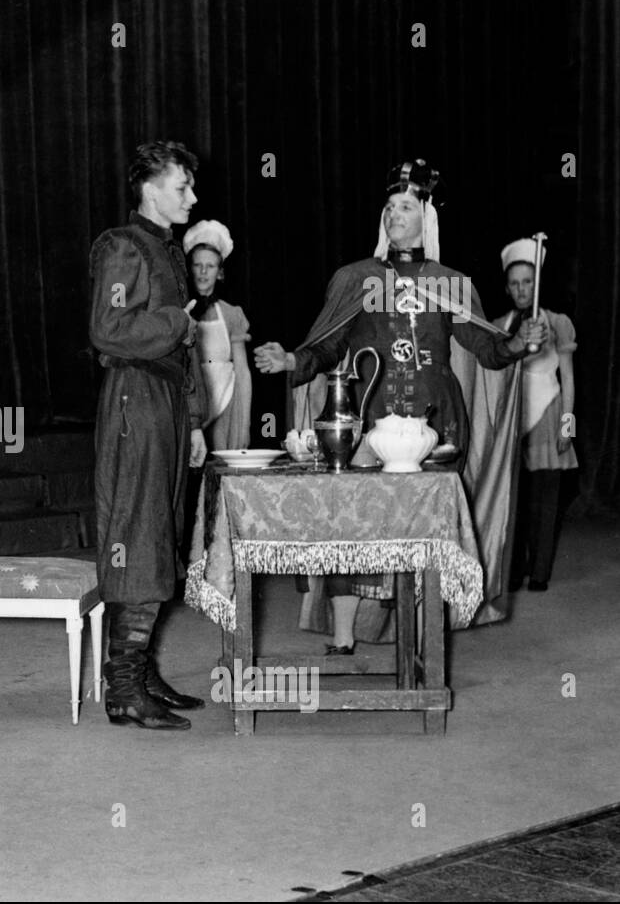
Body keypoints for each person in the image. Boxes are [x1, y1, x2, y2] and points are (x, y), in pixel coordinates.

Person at [254, 159, 546, 654]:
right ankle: (344, 637)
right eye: (389, 206)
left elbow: (488, 349)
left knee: (423, 532)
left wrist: (520, 343)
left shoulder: (452, 283)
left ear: (426, 218)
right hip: (366, 422)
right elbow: (325, 347)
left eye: (406, 206)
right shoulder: (354, 278)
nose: (394, 214)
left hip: (435, 425)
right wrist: (290, 360)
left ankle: (420, 638)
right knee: (350, 524)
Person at [89, 140, 210, 731]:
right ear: (149, 190)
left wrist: (190, 420)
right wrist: (178, 320)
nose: (192, 195)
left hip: (162, 401)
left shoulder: (165, 249)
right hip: (135, 397)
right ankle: (121, 689)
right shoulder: (122, 246)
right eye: (182, 186)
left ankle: (141, 672)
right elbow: (109, 330)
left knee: (161, 535)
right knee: (137, 535)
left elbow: (179, 354)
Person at [498, 238, 578, 591]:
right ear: (507, 288)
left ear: (538, 284)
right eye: (514, 283)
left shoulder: (559, 322)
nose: (521, 289)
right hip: (516, 417)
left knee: (546, 500)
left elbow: (568, 378)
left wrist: (568, 426)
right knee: (515, 499)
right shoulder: (500, 325)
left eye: (527, 282)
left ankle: (540, 572)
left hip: (550, 415)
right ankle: (514, 570)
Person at [183, 220, 252, 451]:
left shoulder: (232, 314)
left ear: (220, 272)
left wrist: (244, 425)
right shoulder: (179, 313)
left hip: (226, 403)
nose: (203, 272)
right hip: (192, 402)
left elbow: (242, 371)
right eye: (197, 265)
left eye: (210, 266)